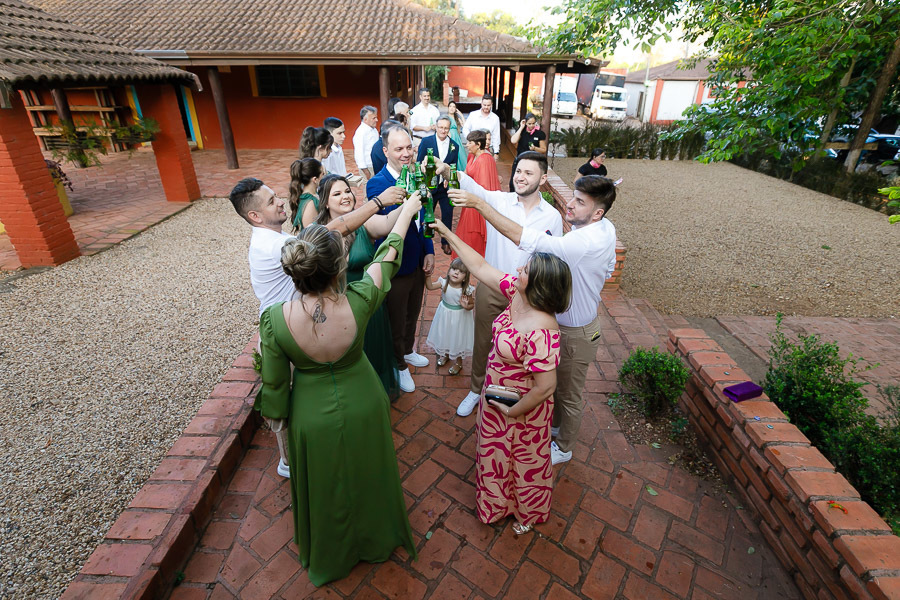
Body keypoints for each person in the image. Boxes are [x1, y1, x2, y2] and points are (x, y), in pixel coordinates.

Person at [255, 195, 422, 586]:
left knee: (326, 486)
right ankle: (376, 536)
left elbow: (276, 390)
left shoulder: (275, 320)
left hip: (311, 416)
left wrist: (280, 421)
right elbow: (387, 257)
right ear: (340, 266)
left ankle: (333, 553)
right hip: (364, 401)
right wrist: (408, 213)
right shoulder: (361, 300)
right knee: (370, 472)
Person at [449, 175, 617, 465]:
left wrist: (477, 203)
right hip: (563, 323)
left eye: (579, 202)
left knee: (568, 393)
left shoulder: (582, 242)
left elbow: (523, 237)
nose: (569, 205)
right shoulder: (605, 228)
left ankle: (563, 447)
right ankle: (550, 427)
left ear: (598, 212)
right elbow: (610, 268)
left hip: (576, 331)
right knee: (553, 386)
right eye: (572, 197)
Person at [430, 218, 571, 534]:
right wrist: (446, 232)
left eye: (525, 271)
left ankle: (521, 509)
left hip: (521, 408)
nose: (518, 271)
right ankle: (494, 506)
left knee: (519, 462)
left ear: (538, 286)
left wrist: (513, 410)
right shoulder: (518, 294)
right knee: (494, 457)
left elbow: (547, 386)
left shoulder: (543, 329)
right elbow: (479, 266)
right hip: (497, 396)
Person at [437, 151, 564, 417]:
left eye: (529, 173)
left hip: (529, 297)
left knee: (518, 351)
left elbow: (552, 260)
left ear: (543, 178)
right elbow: (471, 186)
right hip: (494, 286)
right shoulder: (499, 200)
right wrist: (448, 171)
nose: (521, 177)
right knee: (483, 342)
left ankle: (508, 395)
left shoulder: (552, 217)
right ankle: (475, 390)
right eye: (518, 171)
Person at [316, 173, 411, 399]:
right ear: (325, 201)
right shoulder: (319, 231)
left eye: (347, 191)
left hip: (368, 303)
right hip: (336, 305)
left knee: (372, 352)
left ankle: (374, 397)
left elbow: (388, 223)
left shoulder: (364, 222)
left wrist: (408, 204)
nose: (345, 196)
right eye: (337, 194)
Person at [367, 126, 435, 393]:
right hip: (395, 265)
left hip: (417, 258)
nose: (406, 153)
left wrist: (428, 249)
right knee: (395, 318)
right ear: (386, 152)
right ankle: (399, 365)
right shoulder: (378, 184)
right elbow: (387, 227)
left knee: (413, 312)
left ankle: (407, 350)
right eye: (399, 149)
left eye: (409, 147)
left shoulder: (416, 175)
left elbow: (423, 216)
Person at [417, 116, 461, 255]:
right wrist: (423, 181)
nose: (443, 130)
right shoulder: (426, 142)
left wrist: (449, 176)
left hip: (444, 187)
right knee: (425, 214)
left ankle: (446, 242)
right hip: (429, 187)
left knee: (448, 214)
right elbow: (418, 163)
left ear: (449, 129)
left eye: (446, 128)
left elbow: (453, 165)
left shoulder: (455, 145)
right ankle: (424, 243)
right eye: (441, 127)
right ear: (436, 127)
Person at [424, 257, 475, 375]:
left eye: (461, 272)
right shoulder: (444, 283)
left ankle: (458, 363)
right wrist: (427, 276)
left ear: (465, 277)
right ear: (449, 270)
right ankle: (446, 355)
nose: (456, 273)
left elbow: (471, 305)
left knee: (457, 339)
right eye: (454, 269)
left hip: (459, 318)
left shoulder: (466, 289)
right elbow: (430, 286)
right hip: (445, 315)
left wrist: (466, 306)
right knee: (446, 335)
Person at [452, 129, 498, 258]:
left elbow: (483, 188)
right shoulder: (471, 156)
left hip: (477, 198)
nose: (466, 145)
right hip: (469, 196)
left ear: (478, 144)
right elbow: (466, 173)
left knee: (472, 232)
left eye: (470, 142)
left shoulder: (485, 159)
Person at [509, 113, 548, 191]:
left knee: (528, 182)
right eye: (529, 123)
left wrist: (535, 148)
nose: (531, 125)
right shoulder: (521, 131)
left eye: (533, 123)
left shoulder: (539, 134)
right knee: (513, 183)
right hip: (520, 160)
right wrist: (521, 127)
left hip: (532, 161)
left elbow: (543, 149)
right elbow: (513, 141)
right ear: (525, 123)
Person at [289, 158, 324, 232]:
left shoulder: (314, 195)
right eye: (322, 174)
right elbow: (311, 233)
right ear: (315, 179)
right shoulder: (310, 203)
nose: (325, 176)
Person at [352, 105, 379, 178]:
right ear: (365, 119)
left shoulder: (374, 130)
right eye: (374, 118)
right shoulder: (361, 132)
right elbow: (359, 152)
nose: (377, 120)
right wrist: (365, 170)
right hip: (368, 167)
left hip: (376, 164)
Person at [447, 101, 468, 172]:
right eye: (450, 106)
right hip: (450, 138)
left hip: (457, 138)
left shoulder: (457, 119)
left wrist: (461, 115)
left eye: (454, 106)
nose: (452, 108)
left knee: (461, 156)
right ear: (448, 107)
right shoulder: (446, 118)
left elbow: (465, 126)